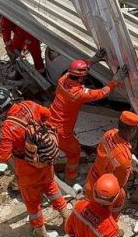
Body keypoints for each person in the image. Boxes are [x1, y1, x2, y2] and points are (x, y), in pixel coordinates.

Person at [49, 49, 128, 184]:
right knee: (74, 153)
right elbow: (103, 92)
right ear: (81, 77)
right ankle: (70, 179)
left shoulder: (64, 79)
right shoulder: (79, 93)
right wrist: (116, 80)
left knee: (53, 147)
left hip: (50, 120)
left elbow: (77, 69)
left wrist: (94, 59)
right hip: (62, 131)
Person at [0, 99, 69, 237]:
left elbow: (2, 156)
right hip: (45, 162)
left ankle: (41, 233)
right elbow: (47, 114)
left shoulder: (8, 127)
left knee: (33, 204)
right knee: (52, 189)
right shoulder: (29, 105)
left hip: (27, 171)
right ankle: (67, 219)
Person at [85, 111, 138, 217]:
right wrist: (129, 169)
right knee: (120, 196)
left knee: (90, 210)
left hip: (92, 179)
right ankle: (112, 224)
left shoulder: (109, 134)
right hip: (104, 190)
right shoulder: (124, 159)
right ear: (132, 130)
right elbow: (120, 184)